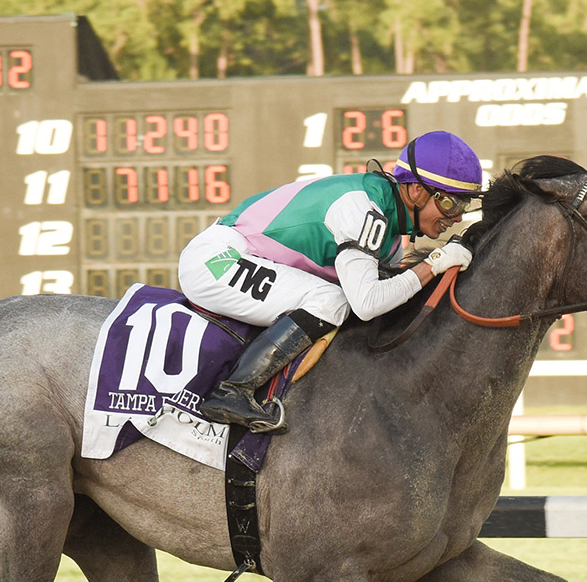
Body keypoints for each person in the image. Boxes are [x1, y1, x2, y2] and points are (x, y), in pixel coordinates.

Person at [177, 130, 484, 432]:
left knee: (338, 301)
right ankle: (231, 391)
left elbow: (388, 300)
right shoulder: (364, 208)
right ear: (416, 191)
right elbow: (367, 303)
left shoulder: (390, 234)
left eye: (464, 206)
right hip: (216, 261)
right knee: (331, 300)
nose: (456, 217)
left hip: (241, 258)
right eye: (451, 203)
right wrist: (435, 263)